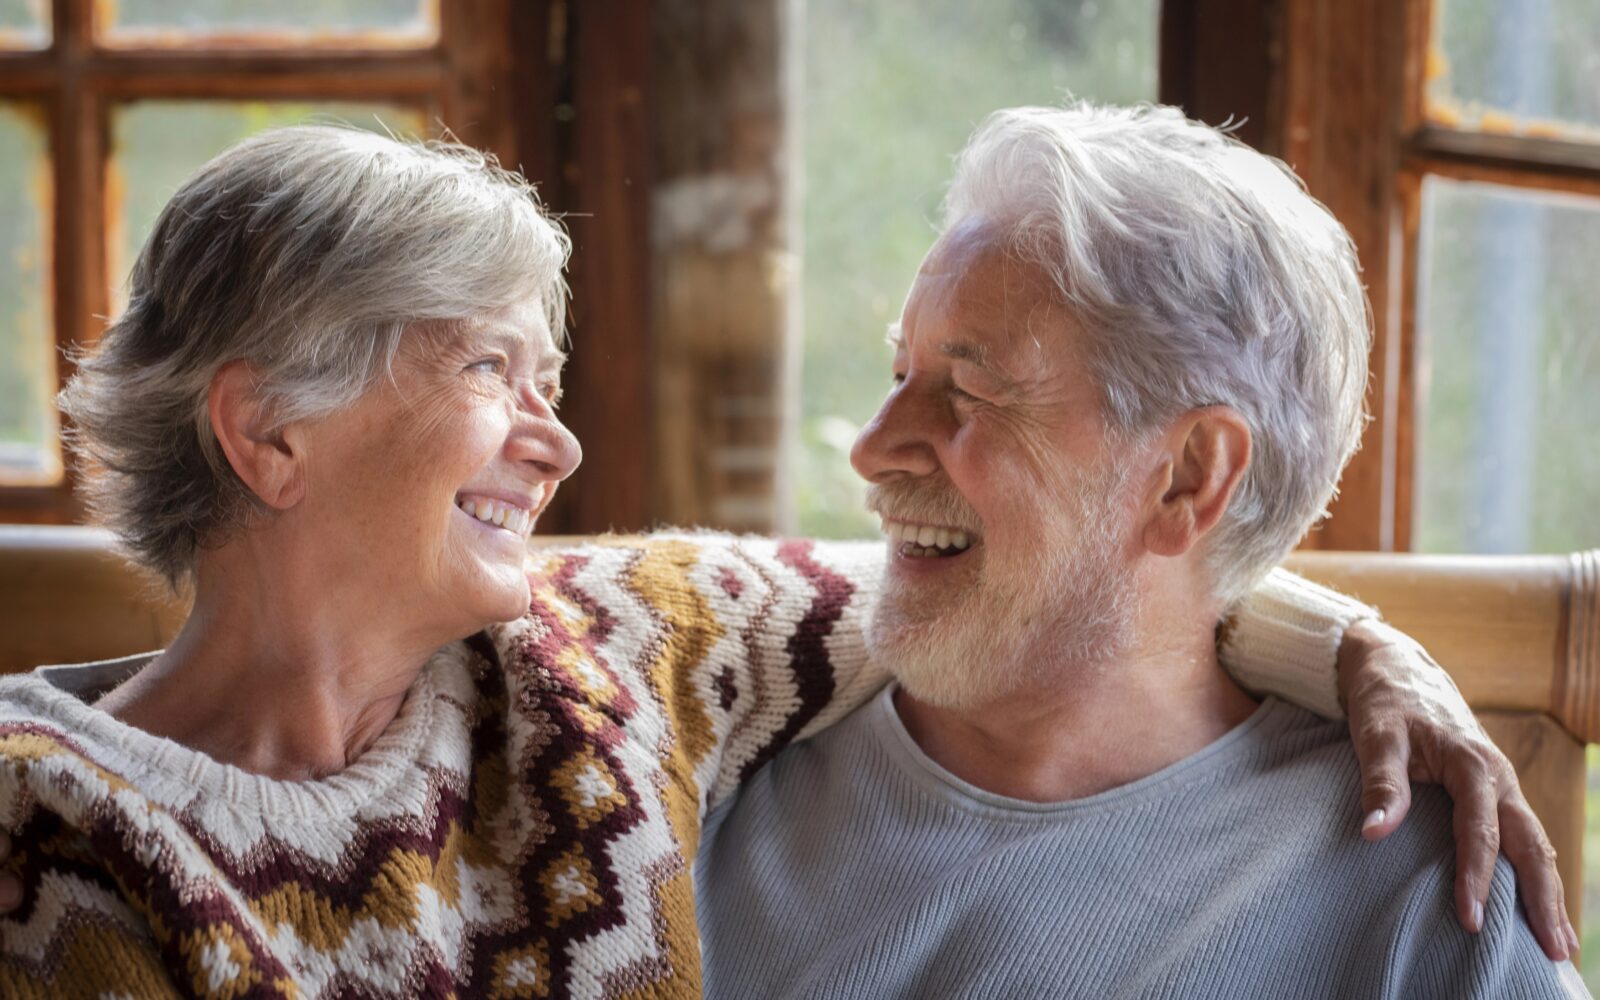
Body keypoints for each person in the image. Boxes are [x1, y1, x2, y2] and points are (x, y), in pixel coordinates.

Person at [0, 124, 1568, 1000]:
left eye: (965, 391)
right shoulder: (61, 840)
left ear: (1190, 477)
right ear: (267, 433)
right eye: (490, 370)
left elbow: (1085, 585)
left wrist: (1347, 641)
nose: (560, 449)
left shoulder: (618, 667)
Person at [697, 102, 1589, 998]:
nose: (871, 448)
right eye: (900, 373)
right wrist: (1346, 643)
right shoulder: (685, 767)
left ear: (1190, 478)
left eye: (969, 392)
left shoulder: (1424, 897)